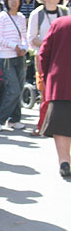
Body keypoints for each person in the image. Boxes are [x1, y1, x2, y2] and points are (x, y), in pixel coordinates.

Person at [27, 0, 68, 136]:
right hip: (43, 57)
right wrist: (50, 43)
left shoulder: (64, 12)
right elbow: (31, 38)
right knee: (45, 91)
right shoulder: (37, 14)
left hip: (62, 59)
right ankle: (42, 124)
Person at [39, 15, 71, 177]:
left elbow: (43, 54)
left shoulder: (59, 23)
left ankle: (64, 161)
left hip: (60, 83)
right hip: (60, 81)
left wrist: (46, 77)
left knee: (61, 125)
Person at [0, 0, 28, 131]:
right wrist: (15, 46)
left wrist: (24, 47)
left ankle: (15, 119)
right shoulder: (2, 16)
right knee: (13, 89)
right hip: (6, 56)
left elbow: (25, 36)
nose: (13, 1)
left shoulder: (21, 17)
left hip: (20, 56)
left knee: (19, 89)